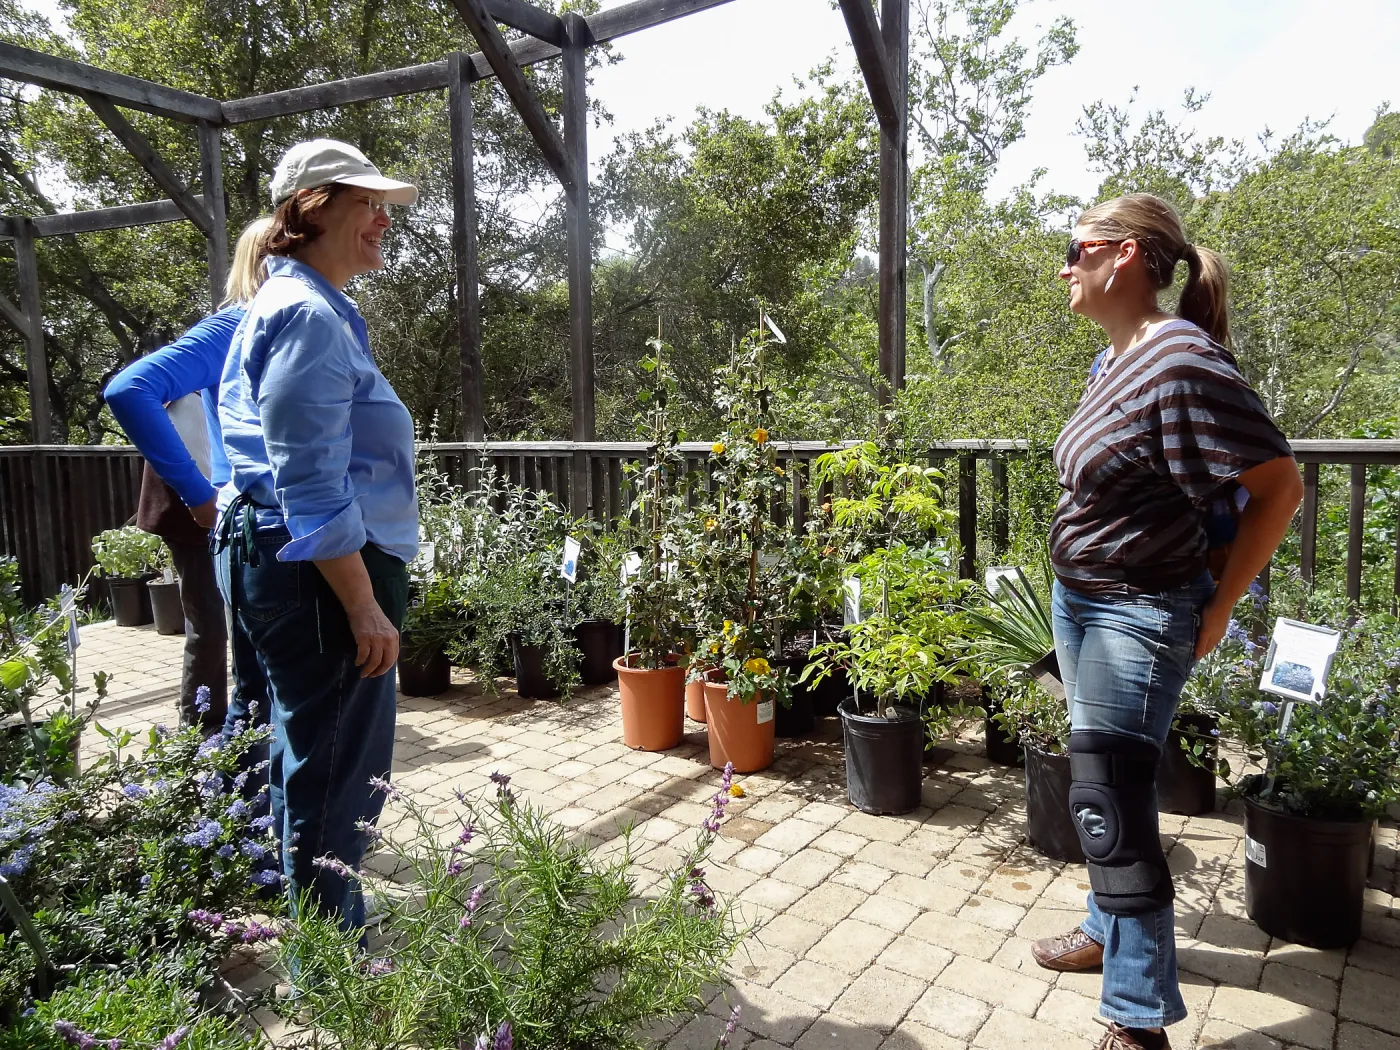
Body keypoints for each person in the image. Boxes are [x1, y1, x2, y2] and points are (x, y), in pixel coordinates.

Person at [1031, 194, 1303, 1050]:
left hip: (1137, 612)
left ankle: (1138, 1018)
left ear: (1127, 257)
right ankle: (1103, 928)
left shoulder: (1181, 359)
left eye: (1076, 249)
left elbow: (1279, 487)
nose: (1064, 267)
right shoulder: (1115, 361)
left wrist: (1219, 609)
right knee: (1104, 784)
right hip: (1082, 603)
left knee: (1108, 802)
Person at [215, 139, 418, 933]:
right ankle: (333, 967)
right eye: (366, 202)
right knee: (337, 776)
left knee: (306, 758)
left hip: (288, 564)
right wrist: (364, 607)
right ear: (313, 207)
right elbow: (308, 482)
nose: (382, 219)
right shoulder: (304, 313)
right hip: (322, 576)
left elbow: (253, 454)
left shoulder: (298, 304)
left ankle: (314, 924)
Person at [105, 217, 274, 733]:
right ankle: (201, 739)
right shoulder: (231, 328)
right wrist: (200, 495)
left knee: (247, 630)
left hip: (251, 514)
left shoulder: (295, 324)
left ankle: (243, 742)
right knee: (209, 624)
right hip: (212, 509)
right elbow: (128, 390)